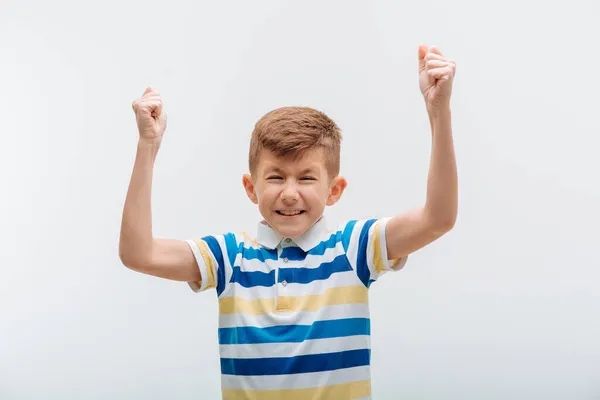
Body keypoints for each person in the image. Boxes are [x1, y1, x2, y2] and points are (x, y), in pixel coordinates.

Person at [119, 44, 457, 399]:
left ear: (334, 190)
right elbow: (138, 254)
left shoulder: (355, 248)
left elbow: (438, 218)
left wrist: (439, 112)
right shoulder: (228, 258)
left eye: (307, 178)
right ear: (251, 188)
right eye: (276, 177)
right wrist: (148, 146)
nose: (291, 193)